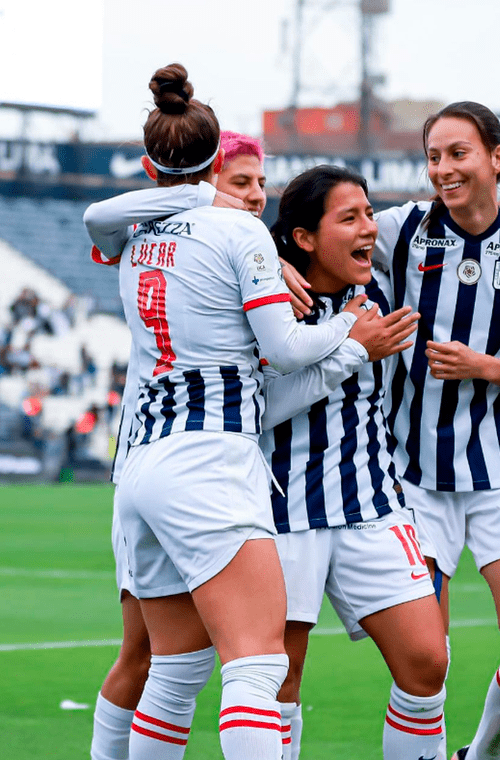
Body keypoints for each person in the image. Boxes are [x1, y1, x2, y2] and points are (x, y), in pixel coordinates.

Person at [83, 62, 380, 760]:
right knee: (257, 664)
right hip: (208, 460)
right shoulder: (238, 233)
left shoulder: (133, 242)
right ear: (217, 164)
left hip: (143, 466)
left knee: (177, 669)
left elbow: (102, 218)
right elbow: (283, 345)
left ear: (150, 164)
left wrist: (193, 195)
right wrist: (350, 332)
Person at [367, 102, 500, 760]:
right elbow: (316, 234)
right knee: (423, 667)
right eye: (433, 156)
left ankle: (481, 756)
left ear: (496, 157)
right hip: (411, 481)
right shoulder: (398, 230)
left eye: (458, 153)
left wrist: (483, 365)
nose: (443, 168)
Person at [89, 130, 271, 760]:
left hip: (148, 461)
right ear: (202, 182)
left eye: (259, 184)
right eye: (237, 181)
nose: (251, 197)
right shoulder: (182, 234)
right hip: (185, 457)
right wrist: (349, 345)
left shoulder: (199, 247)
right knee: (161, 659)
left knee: (169, 664)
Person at [260, 165, 448, 760]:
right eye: (349, 218)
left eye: (369, 214)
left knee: (427, 663)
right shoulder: (268, 303)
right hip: (283, 511)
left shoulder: (384, 284)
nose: (368, 228)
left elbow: (442, 211)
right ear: (305, 238)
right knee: (277, 684)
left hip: (372, 502)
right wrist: (351, 350)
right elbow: (259, 411)